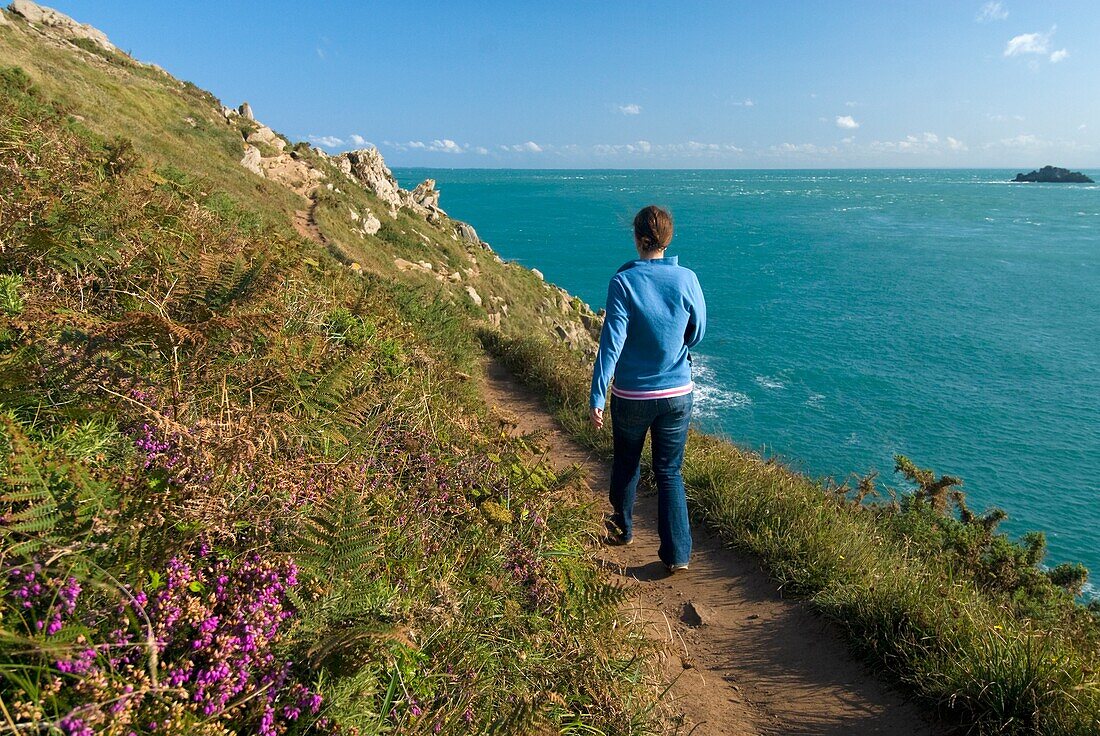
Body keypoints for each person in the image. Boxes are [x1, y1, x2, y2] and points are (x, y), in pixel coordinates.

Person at [589, 205, 706, 574]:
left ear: (638, 239)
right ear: (667, 240)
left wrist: (597, 395)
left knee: (626, 462)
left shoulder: (622, 282)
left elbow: (611, 344)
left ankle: (623, 529)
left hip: (632, 396)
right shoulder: (687, 278)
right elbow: (698, 331)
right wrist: (675, 346)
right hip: (676, 393)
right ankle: (677, 555)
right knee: (669, 471)